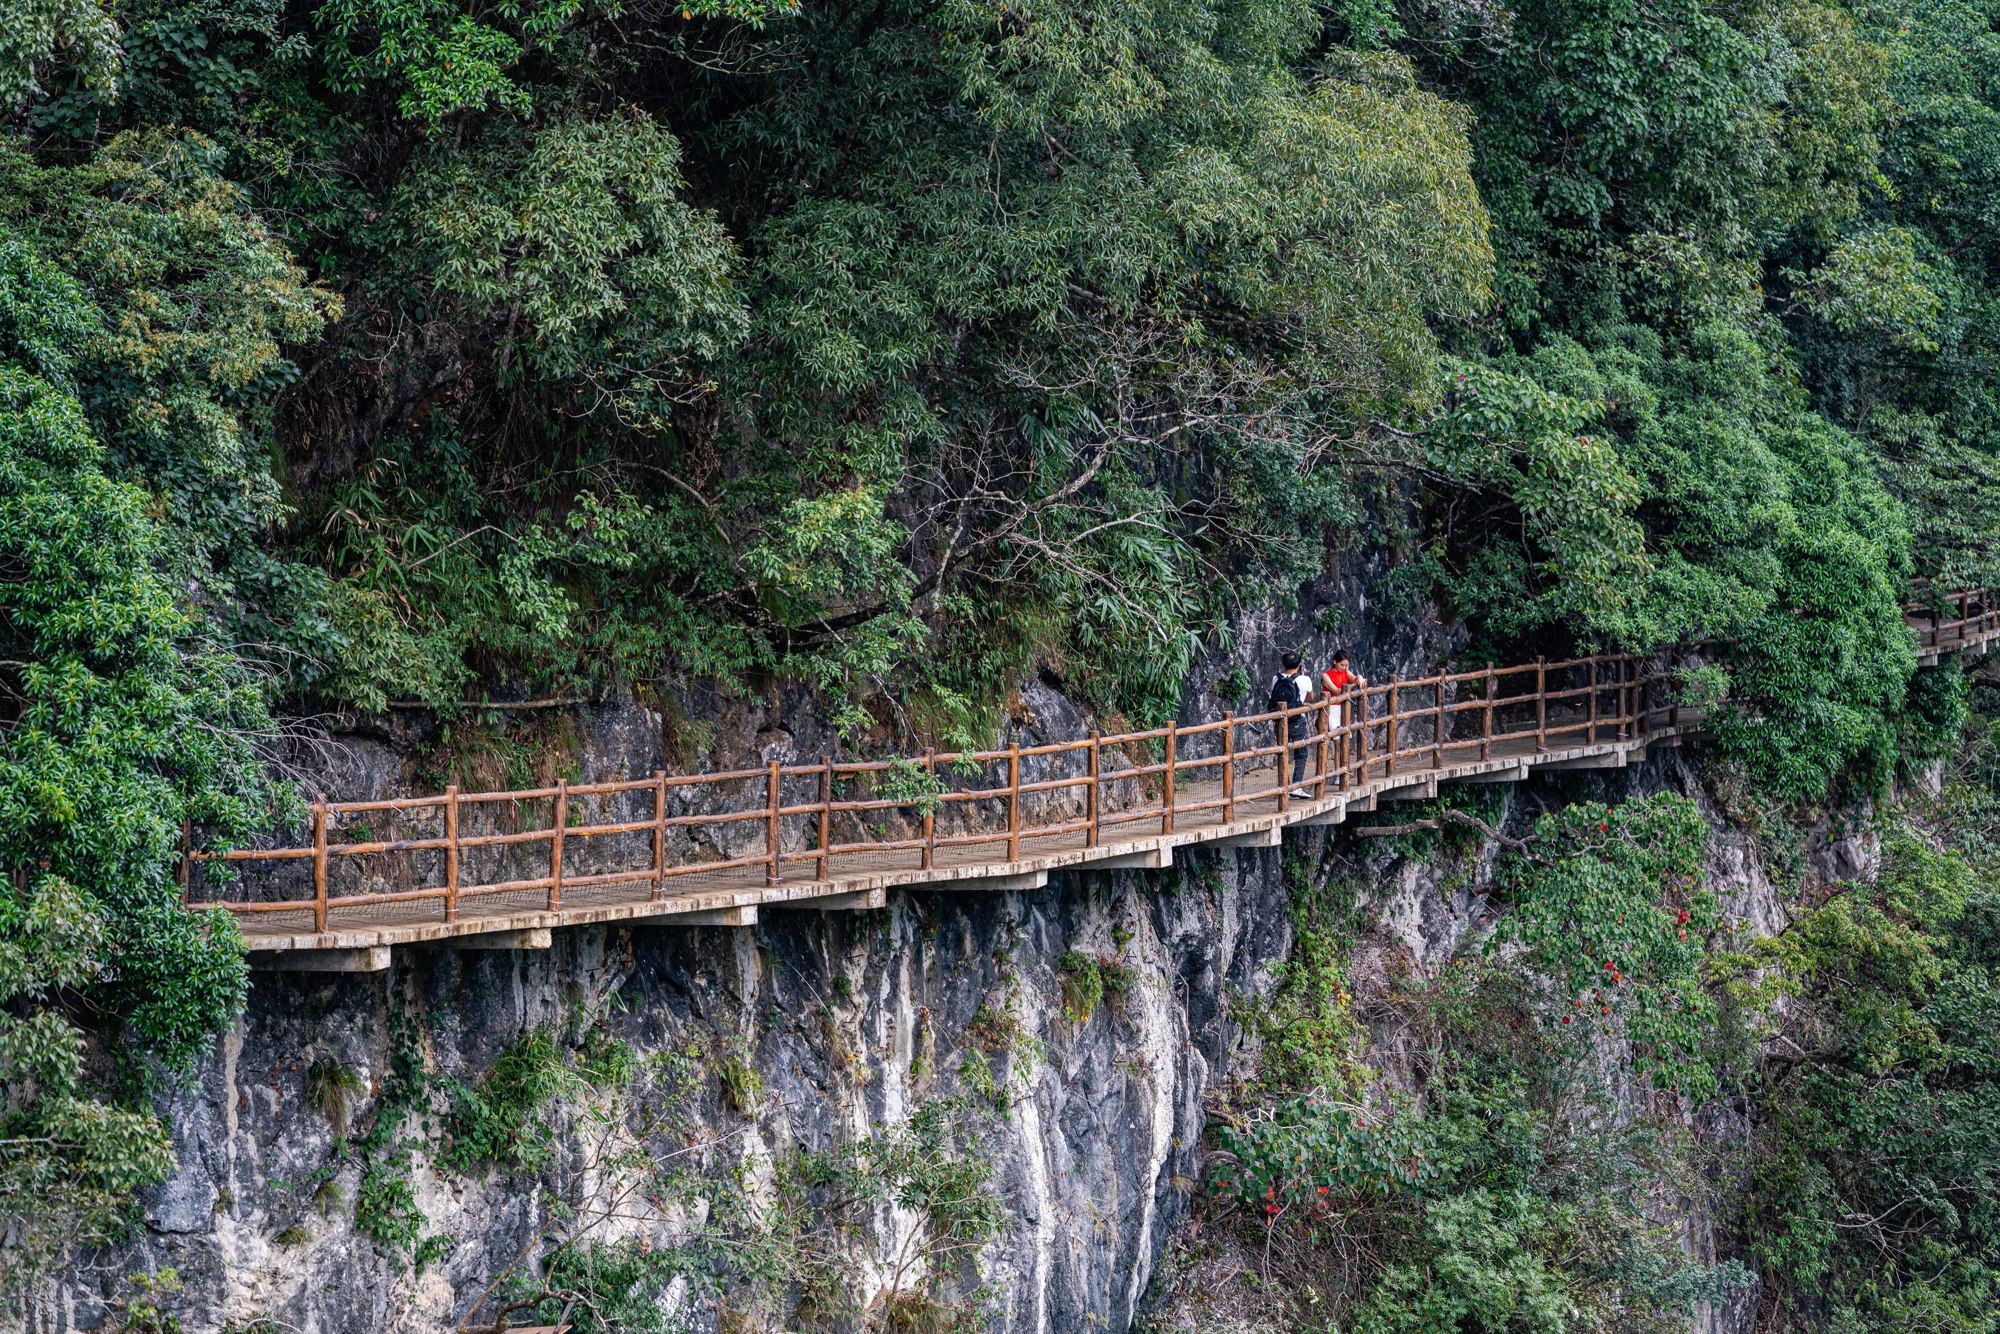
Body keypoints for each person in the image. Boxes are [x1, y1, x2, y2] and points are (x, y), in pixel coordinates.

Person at [1267, 650, 1316, 797]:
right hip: (1296, 720)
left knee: (1283, 752)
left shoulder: (1276, 678)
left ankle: (1284, 788)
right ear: (1299, 665)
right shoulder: (1304, 679)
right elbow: (1311, 696)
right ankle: (1296, 787)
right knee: (1301, 754)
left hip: (1280, 720)